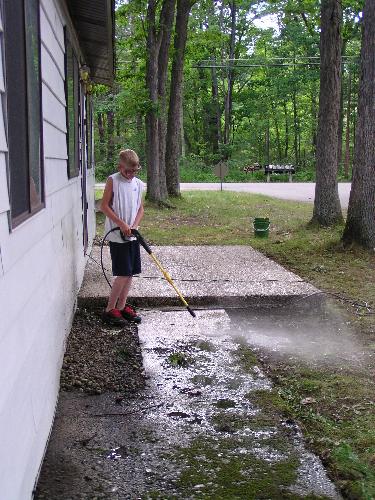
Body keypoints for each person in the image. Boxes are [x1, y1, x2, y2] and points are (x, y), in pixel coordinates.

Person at [100, 149, 145, 326]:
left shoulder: (138, 183)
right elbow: (104, 206)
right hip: (117, 236)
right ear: (120, 167)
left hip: (132, 235)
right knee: (122, 273)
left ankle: (122, 306)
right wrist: (121, 224)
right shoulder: (113, 181)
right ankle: (109, 310)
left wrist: (133, 226)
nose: (131, 174)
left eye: (135, 171)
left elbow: (140, 209)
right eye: (128, 171)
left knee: (131, 273)